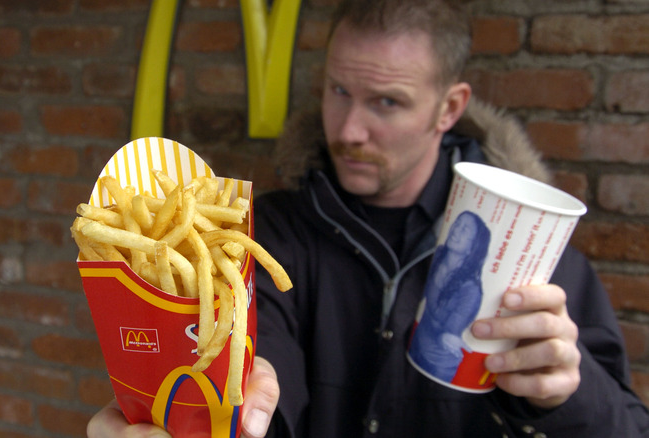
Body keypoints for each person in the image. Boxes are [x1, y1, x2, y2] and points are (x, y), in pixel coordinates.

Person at [87, 0, 649, 436]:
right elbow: (264, 387)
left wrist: (563, 397)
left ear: (449, 108)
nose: (349, 130)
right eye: (339, 90)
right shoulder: (267, 234)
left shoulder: (535, 259)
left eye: (386, 102)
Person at [409, 211, 490, 383]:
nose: (456, 231)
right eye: (457, 224)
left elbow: (451, 329)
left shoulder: (471, 290)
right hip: (414, 347)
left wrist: (450, 337)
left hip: (437, 367)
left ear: (472, 246)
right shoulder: (437, 255)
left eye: (465, 230)